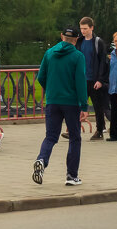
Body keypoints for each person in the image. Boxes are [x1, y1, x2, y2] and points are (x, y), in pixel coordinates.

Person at [32, 25, 89, 186]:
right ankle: (72, 175)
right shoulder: (78, 56)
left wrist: (51, 90)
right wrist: (84, 106)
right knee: (75, 138)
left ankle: (41, 160)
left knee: (51, 136)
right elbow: (80, 82)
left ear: (61, 36)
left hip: (52, 101)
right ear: (76, 39)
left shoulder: (49, 54)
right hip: (71, 102)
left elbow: (41, 77)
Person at [77, 17, 110, 140]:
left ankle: (99, 130)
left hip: (94, 79)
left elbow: (103, 62)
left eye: (85, 28)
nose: (83, 31)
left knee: (98, 106)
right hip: (82, 79)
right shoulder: (79, 42)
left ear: (91, 28)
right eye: (81, 29)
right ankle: (74, 128)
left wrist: (101, 80)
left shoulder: (98, 42)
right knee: (78, 105)